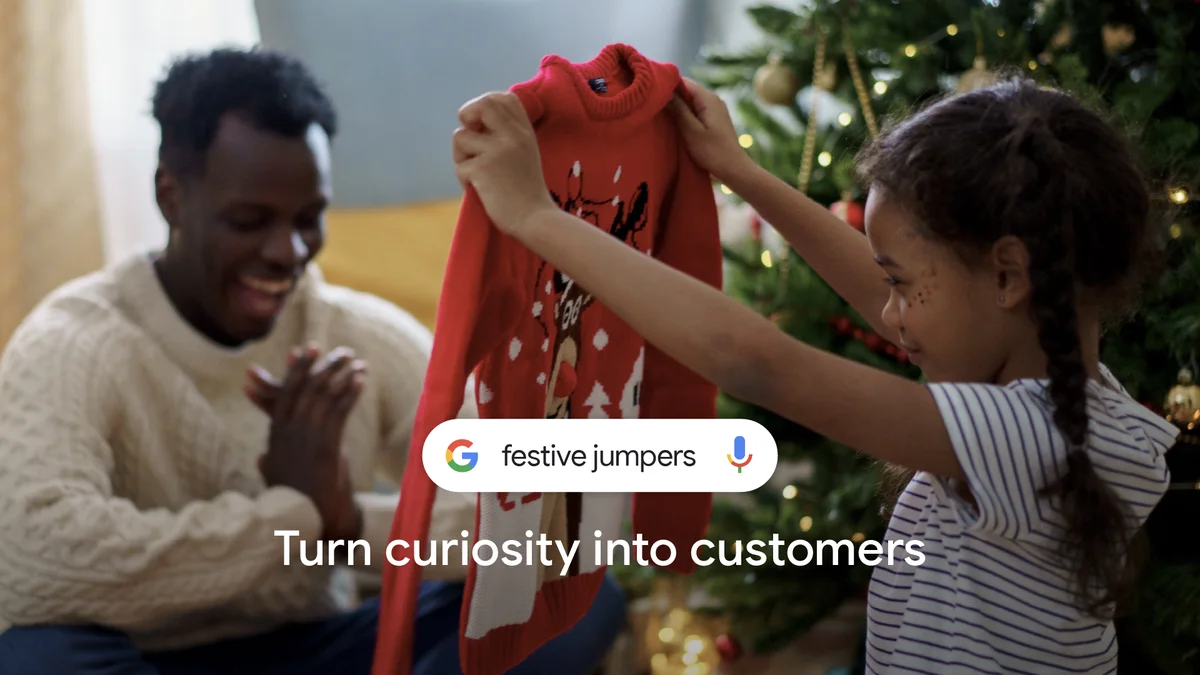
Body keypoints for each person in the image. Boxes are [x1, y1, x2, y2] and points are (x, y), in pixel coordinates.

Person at [448, 76, 1179, 673]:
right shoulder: (1048, 384)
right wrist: (739, 171)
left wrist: (535, 217)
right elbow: (890, 292)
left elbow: (758, 364)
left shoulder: (1033, 438)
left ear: (1009, 274)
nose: (889, 313)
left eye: (902, 283)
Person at [0, 48, 624, 675]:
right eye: (250, 221)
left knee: (564, 595)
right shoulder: (73, 342)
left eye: (309, 219)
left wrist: (348, 520)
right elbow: (34, 561)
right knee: (37, 656)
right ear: (171, 197)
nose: (288, 252)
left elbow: (536, 514)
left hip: (320, 647)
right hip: (144, 655)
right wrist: (295, 515)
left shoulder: (354, 333)